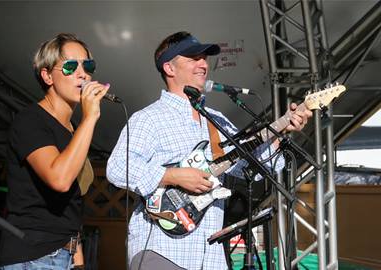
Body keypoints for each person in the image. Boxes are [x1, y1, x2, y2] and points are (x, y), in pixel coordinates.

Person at [106, 31, 312, 270]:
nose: (203, 64)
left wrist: (283, 129)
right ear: (169, 68)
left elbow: (254, 165)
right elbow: (118, 168)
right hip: (162, 249)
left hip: (210, 254)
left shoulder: (217, 121)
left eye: (204, 58)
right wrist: (173, 176)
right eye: (194, 58)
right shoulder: (149, 119)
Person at [0, 33, 110, 269]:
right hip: (33, 256)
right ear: (47, 76)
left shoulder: (74, 129)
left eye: (87, 65)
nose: (83, 74)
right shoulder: (30, 121)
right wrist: (91, 118)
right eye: (70, 66)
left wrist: (78, 261)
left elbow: (70, 204)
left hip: (64, 254)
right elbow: (59, 179)